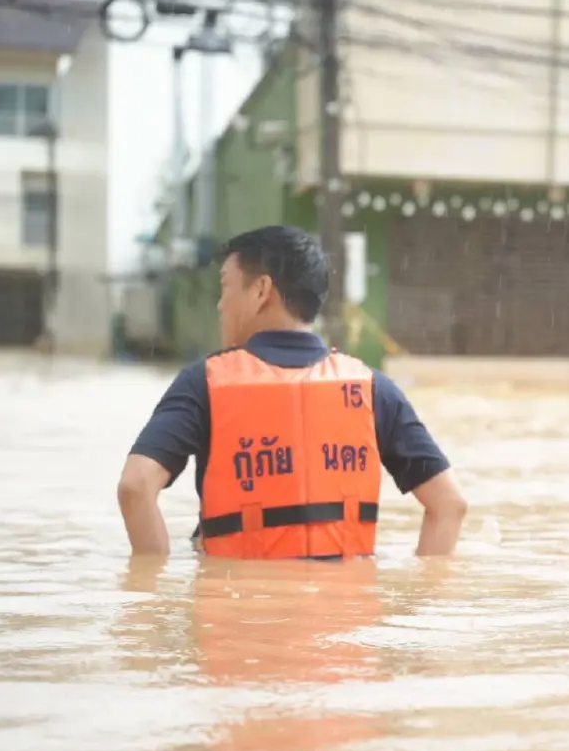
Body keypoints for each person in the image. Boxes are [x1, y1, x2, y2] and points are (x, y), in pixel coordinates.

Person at [117, 225, 467, 559]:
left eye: (226, 287)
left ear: (260, 291)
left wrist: (151, 584)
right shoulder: (373, 388)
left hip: (237, 614)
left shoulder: (204, 382)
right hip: (348, 615)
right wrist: (420, 600)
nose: (221, 305)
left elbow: (135, 487)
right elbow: (449, 505)